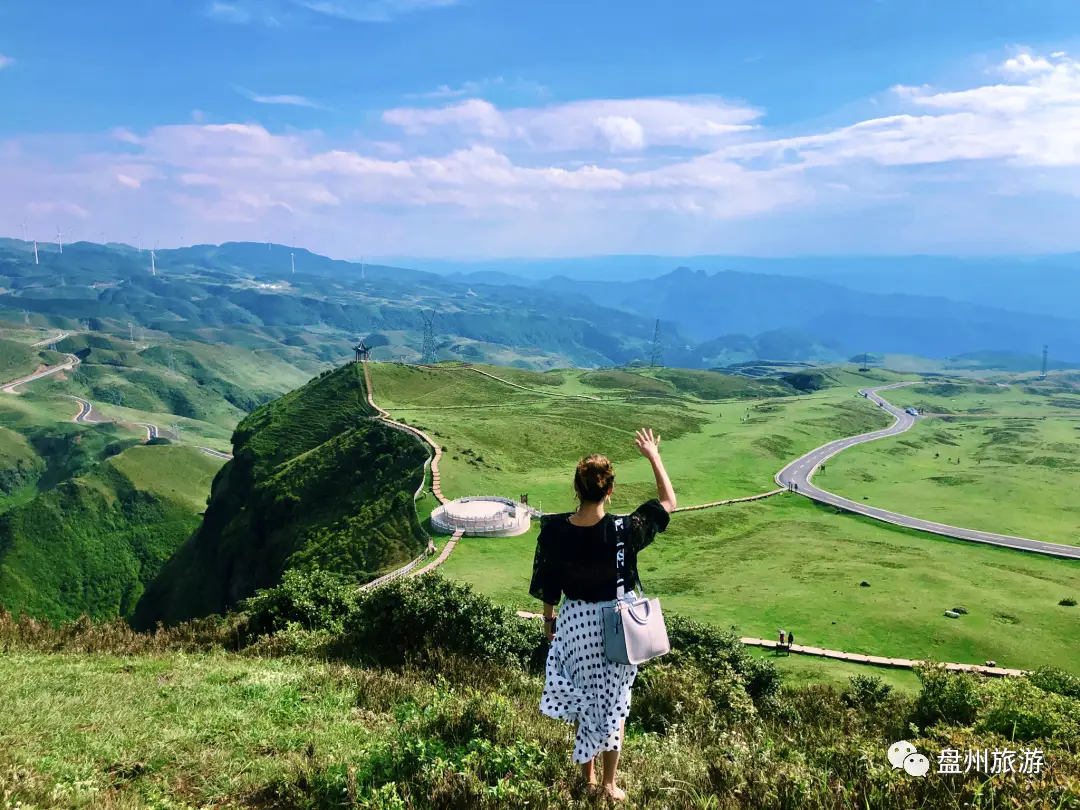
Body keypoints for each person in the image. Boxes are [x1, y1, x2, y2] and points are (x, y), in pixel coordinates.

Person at [530, 428, 676, 802]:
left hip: (575, 626)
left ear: (576, 488)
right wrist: (653, 456)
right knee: (614, 703)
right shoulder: (625, 529)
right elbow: (668, 502)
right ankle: (609, 784)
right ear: (609, 490)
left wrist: (550, 621)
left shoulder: (554, 530)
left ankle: (589, 780)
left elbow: (548, 581)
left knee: (585, 700)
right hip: (616, 627)